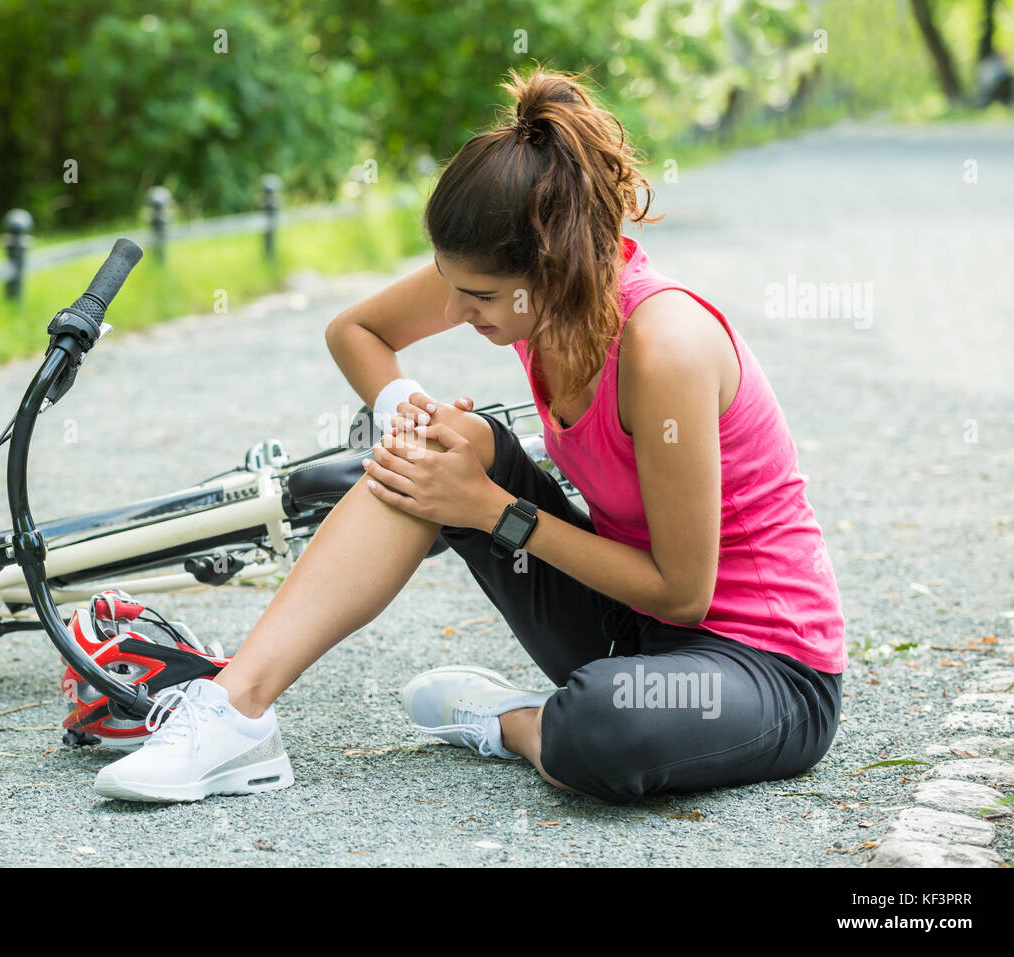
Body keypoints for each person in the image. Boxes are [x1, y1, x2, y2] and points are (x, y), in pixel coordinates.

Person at [93, 64, 847, 805]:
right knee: (432, 452)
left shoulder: (664, 344)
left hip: (762, 670)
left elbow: (684, 594)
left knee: (601, 726)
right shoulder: (504, 283)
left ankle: (512, 721)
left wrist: (493, 510)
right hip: (625, 631)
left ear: (553, 269)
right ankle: (236, 713)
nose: (458, 309)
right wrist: (408, 410)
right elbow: (356, 330)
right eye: (451, 285)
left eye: (478, 297)